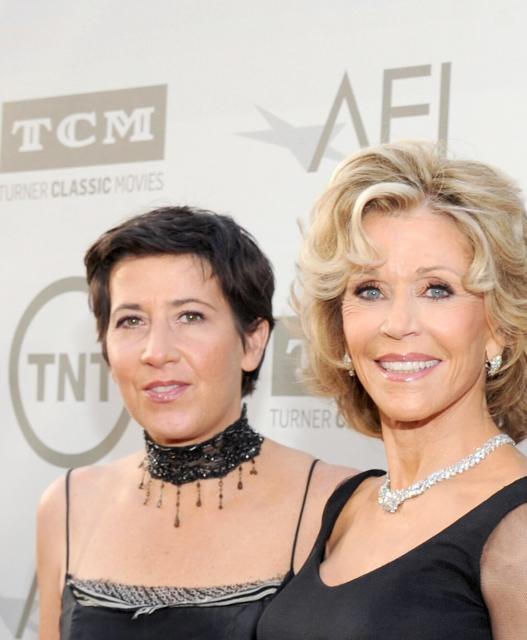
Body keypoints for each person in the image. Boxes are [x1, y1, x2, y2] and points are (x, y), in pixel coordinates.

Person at [257, 141, 527, 639]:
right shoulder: (349, 505)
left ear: (500, 326)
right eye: (369, 290)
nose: (398, 324)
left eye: (437, 289)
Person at [35, 206, 354, 639]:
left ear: (253, 341)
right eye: (131, 321)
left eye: (190, 316)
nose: (156, 350)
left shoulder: (336, 505)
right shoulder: (67, 506)